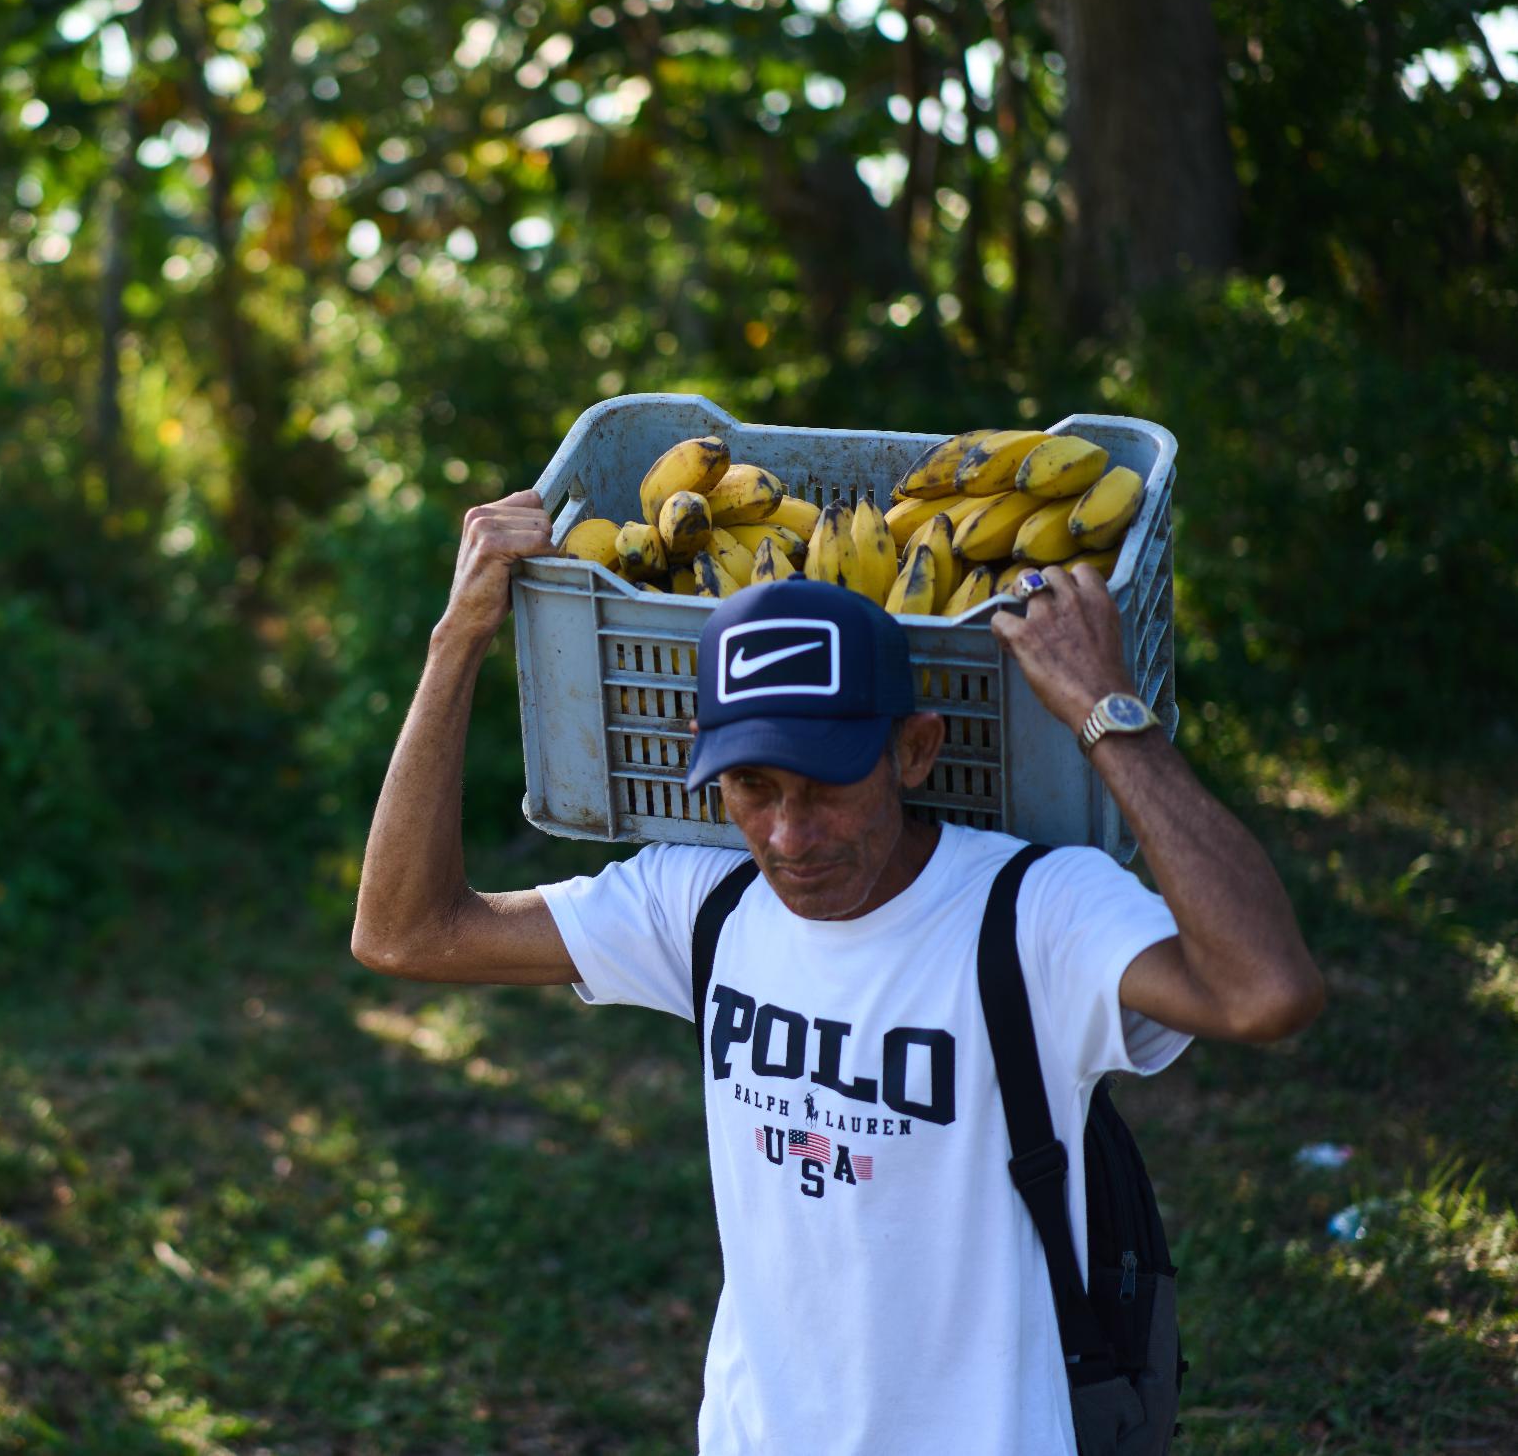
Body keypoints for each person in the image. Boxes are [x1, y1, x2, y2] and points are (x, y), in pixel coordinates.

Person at [351, 488, 1325, 1455]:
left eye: (825, 789)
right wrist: (457, 638)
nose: (787, 834)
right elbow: (406, 932)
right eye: (753, 787)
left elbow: (1263, 990)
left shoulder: (1033, 914)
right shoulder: (703, 903)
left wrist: (1110, 718)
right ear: (706, 765)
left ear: (914, 748)